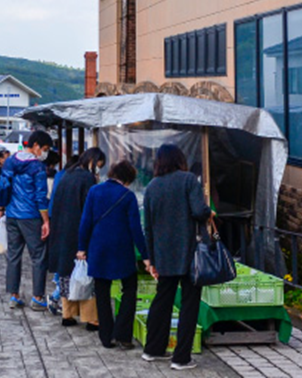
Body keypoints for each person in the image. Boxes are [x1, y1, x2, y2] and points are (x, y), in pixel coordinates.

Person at [141, 144, 213, 371]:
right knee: (189, 304)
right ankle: (181, 358)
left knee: (162, 300)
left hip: (163, 254)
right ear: (179, 159)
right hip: (190, 252)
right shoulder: (188, 180)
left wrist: (151, 260)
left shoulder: (152, 187)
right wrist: (209, 212)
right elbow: (198, 211)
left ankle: (153, 349)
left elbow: (148, 228)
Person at [77, 160, 151, 349]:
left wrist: (82, 248)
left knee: (102, 292)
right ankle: (123, 335)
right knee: (130, 288)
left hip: (98, 248)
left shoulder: (94, 191)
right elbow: (136, 229)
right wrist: (145, 255)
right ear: (127, 179)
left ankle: (106, 336)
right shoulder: (128, 196)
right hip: (122, 249)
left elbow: (85, 221)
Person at [48, 148, 107, 331]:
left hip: (61, 231)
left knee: (67, 275)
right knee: (86, 276)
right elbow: (90, 210)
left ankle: (67, 314)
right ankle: (91, 319)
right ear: (93, 161)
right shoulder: (87, 179)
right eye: (99, 165)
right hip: (79, 232)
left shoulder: (67, 174)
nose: (98, 169)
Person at [2, 130, 54, 311]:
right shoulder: (37, 167)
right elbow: (40, 197)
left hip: (12, 215)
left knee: (13, 255)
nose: (45, 153)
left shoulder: (10, 161)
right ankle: (37, 297)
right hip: (31, 216)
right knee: (38, 256)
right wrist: (46, 221)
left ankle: (14, 295)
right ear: (36, 145)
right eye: (45, 149)